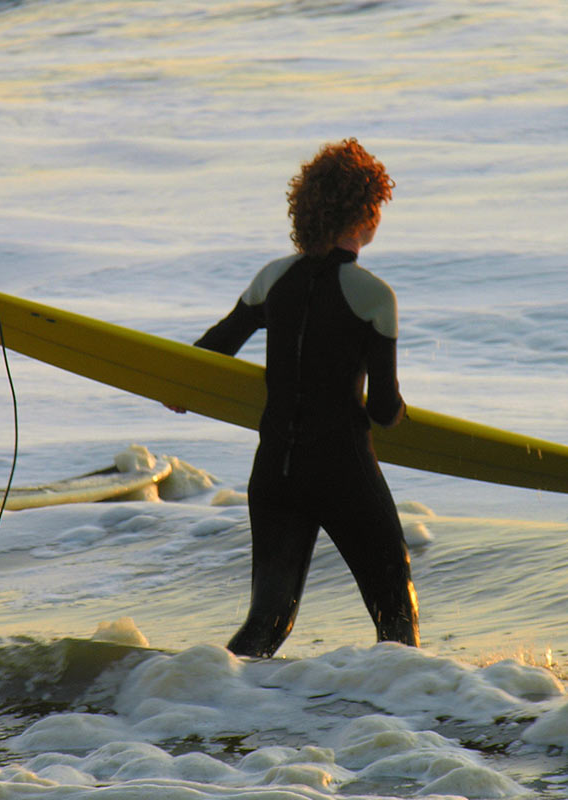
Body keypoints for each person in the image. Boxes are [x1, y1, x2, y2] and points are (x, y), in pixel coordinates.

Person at [187, 139, 419, 657]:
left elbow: (211, 351)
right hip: (342, 469)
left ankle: (204, 711)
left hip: (275, 471)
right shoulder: (375, 296)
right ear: (365, 213)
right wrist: (402, 415)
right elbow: (383, 411)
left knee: (265, 626)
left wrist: (176, 392)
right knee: (396, 624)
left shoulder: (272, 279)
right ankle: (402, 732)